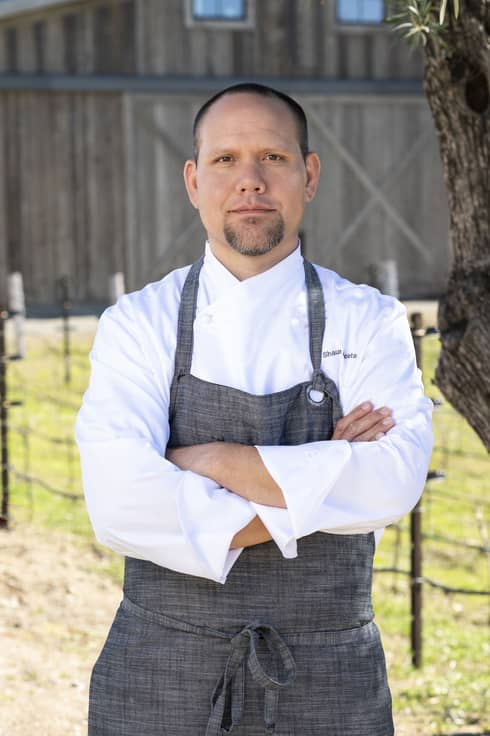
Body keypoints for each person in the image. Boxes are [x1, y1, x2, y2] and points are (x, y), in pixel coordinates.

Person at [76, 83, 433, 736]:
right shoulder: (139, 323)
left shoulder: (369, 320)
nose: (250, 181)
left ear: (309, 174)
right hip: (158, 677)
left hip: (329, 679)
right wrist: (328, 470)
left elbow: (392, 480)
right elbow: (119, 502)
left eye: (272, 157)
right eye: (225, 160)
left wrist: (204, 461)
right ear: (192, 179)